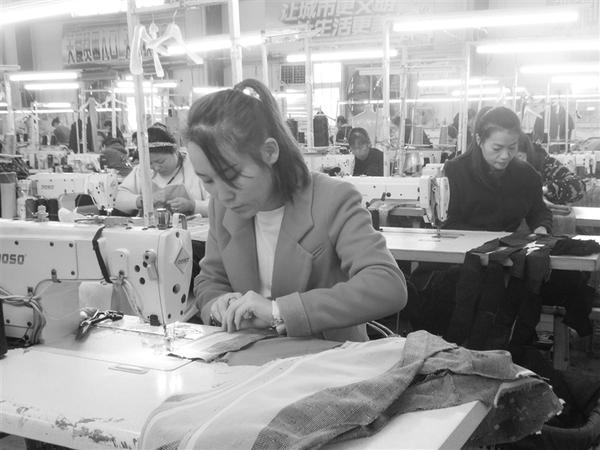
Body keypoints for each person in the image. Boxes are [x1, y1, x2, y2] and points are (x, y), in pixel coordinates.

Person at [187, 78, 406, 341]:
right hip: (252, 356)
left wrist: (280, 311)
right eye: (208, 180)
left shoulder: (333, 200)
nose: (223, 195)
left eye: (232, 176)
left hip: (327, 357)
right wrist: (218, 305)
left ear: (269, 152)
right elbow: (210, 280)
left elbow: (387, 284)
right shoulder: (222, 208)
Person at [444, 106, 552, 233]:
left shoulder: (527, 175)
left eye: (512, 147)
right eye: (497, 148)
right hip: (462, 243)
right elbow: (448, 222)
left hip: (506, 244)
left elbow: (539, 211)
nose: (505, 156)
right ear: (479, 140)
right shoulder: (455, 172)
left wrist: (541, 227)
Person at [115, 125, 209, 216]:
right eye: (150, 163)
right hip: (150, 226)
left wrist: (192, 205)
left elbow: (215, 204)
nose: (156, 168)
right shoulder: (142, 170)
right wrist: (143, 201)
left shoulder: (196, 167)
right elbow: (118, 198)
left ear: (175, 151)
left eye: (161, 161)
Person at [516, 133, 584, 205]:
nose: (514, 162)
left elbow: (578, 187)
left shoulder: (547, 164)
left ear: (529, 154)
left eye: (519, 156)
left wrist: (547, 189)